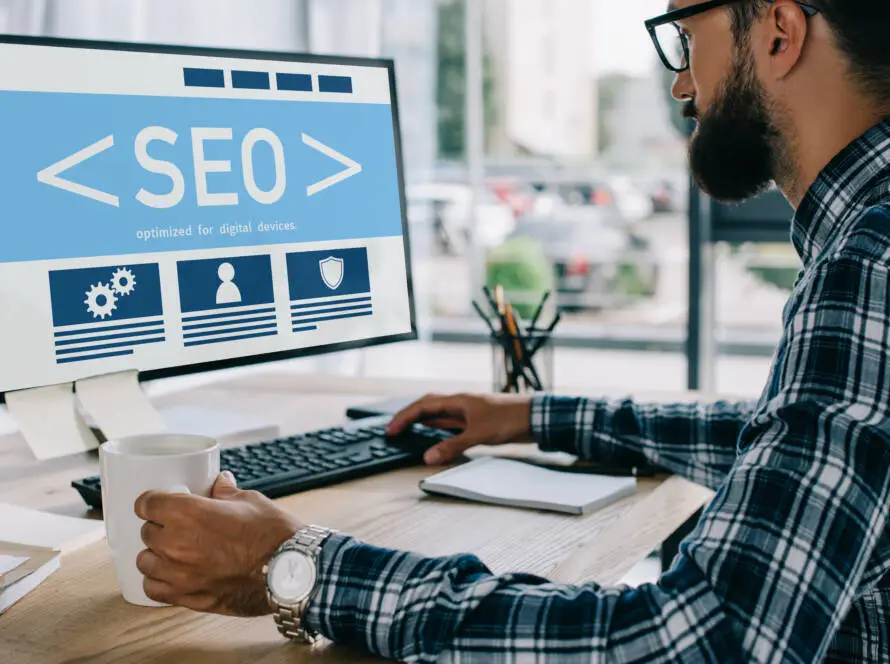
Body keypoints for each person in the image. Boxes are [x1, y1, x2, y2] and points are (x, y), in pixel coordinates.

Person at [132, 1, 890, 661]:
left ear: (780, 33)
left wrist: (297, 565)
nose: (681, 83)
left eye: (686, 39)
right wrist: (535, 416)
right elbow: (804, 449)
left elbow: (703, 642)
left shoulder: (870, 261)